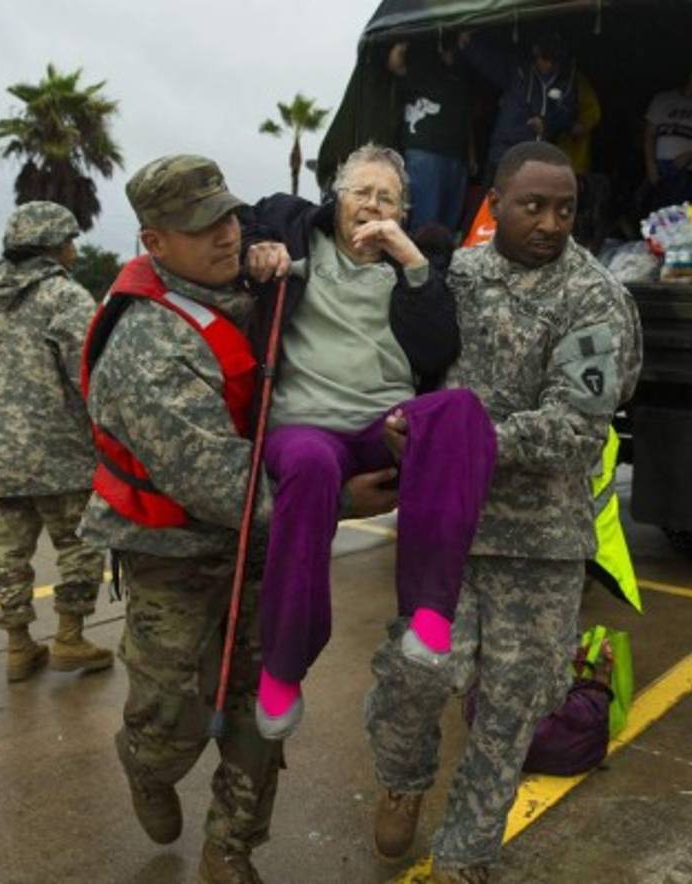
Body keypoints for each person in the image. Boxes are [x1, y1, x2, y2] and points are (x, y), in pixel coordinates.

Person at [78, 154, 397, 883]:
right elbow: (217, 481)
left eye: (228, 215)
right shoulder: (148, 343)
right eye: (202, 228)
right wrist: (337, 504)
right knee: (171, 716)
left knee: (263, 704)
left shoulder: (248, 284)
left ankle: (232, 847)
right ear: (154, 244)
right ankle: (146, 769)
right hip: (177, 551)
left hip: (266, 544)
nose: (226, 235)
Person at [364, 141, 643, 883]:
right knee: (414, 674)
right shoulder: (455, 277)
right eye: (533, 205)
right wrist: (400, 425)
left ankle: (467, 852)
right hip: (449, 529)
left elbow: (577, 427)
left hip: (540, 541)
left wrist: (462, 438)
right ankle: (402, 774)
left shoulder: (594, 297)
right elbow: (406, 361)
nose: (550, 222)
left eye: (565, 208)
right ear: (496, 200)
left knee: (517, 705)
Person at [236, 143, 496, 741]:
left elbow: (435, 350)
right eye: (362, 192)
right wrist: (258, 249)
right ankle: (284, 665)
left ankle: (430, 613)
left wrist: (410, 263)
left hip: (385, 423)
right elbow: (240, 229)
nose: (373, 205)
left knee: (459, 411)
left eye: (388, 198)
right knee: (306, 467)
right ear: (337, 195)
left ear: (403, 212)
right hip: (304, 425)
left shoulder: (420, 261)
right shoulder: (291, 223)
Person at [0, 201, 112, 683]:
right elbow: (88, 370)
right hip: (60, 453)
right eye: (69, 240)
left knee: (9, 552)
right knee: (79, 545)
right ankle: (69, 636)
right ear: (51, 245)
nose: (73, 249)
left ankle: (18, 645)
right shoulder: (64, 297)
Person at [458, 30, 579, 182]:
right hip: (503, 154)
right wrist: (469, 45)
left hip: (537, 161)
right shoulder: (519, 69)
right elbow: (490, 62)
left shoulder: (566, 81)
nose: (547, 64)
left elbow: (568, 114)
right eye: (544, 58)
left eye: (553, 60)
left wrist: (547, 124)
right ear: (536, 53)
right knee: (494, 201)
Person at [387, 40, 476, 232]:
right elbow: (395, 66)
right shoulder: (421, 67)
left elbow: (467, 121)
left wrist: (471, 156)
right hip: (425, 152)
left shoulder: (461, 77)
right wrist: (403, 41)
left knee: (449, 223)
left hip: (456, 157)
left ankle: (440, 258)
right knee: (424, 222)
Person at [643, 68, 692, 210]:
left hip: (691, 172)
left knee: (685, 216)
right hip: (661, 168)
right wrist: (651, 166)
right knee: (659, 215)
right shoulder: (663, 99)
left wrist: (690, 156)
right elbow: (649, 135)